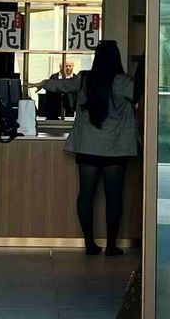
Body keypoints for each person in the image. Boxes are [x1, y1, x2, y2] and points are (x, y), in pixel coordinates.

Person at [40, 42, 138, 255]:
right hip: (116, 148)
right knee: (114, 196)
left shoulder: (85, 79)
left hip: (88, 148)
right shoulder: (123, 82)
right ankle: (112, 245)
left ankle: (89, 243)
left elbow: (59, 86)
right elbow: (142, 94)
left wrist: (43, 83)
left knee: (86, 194)